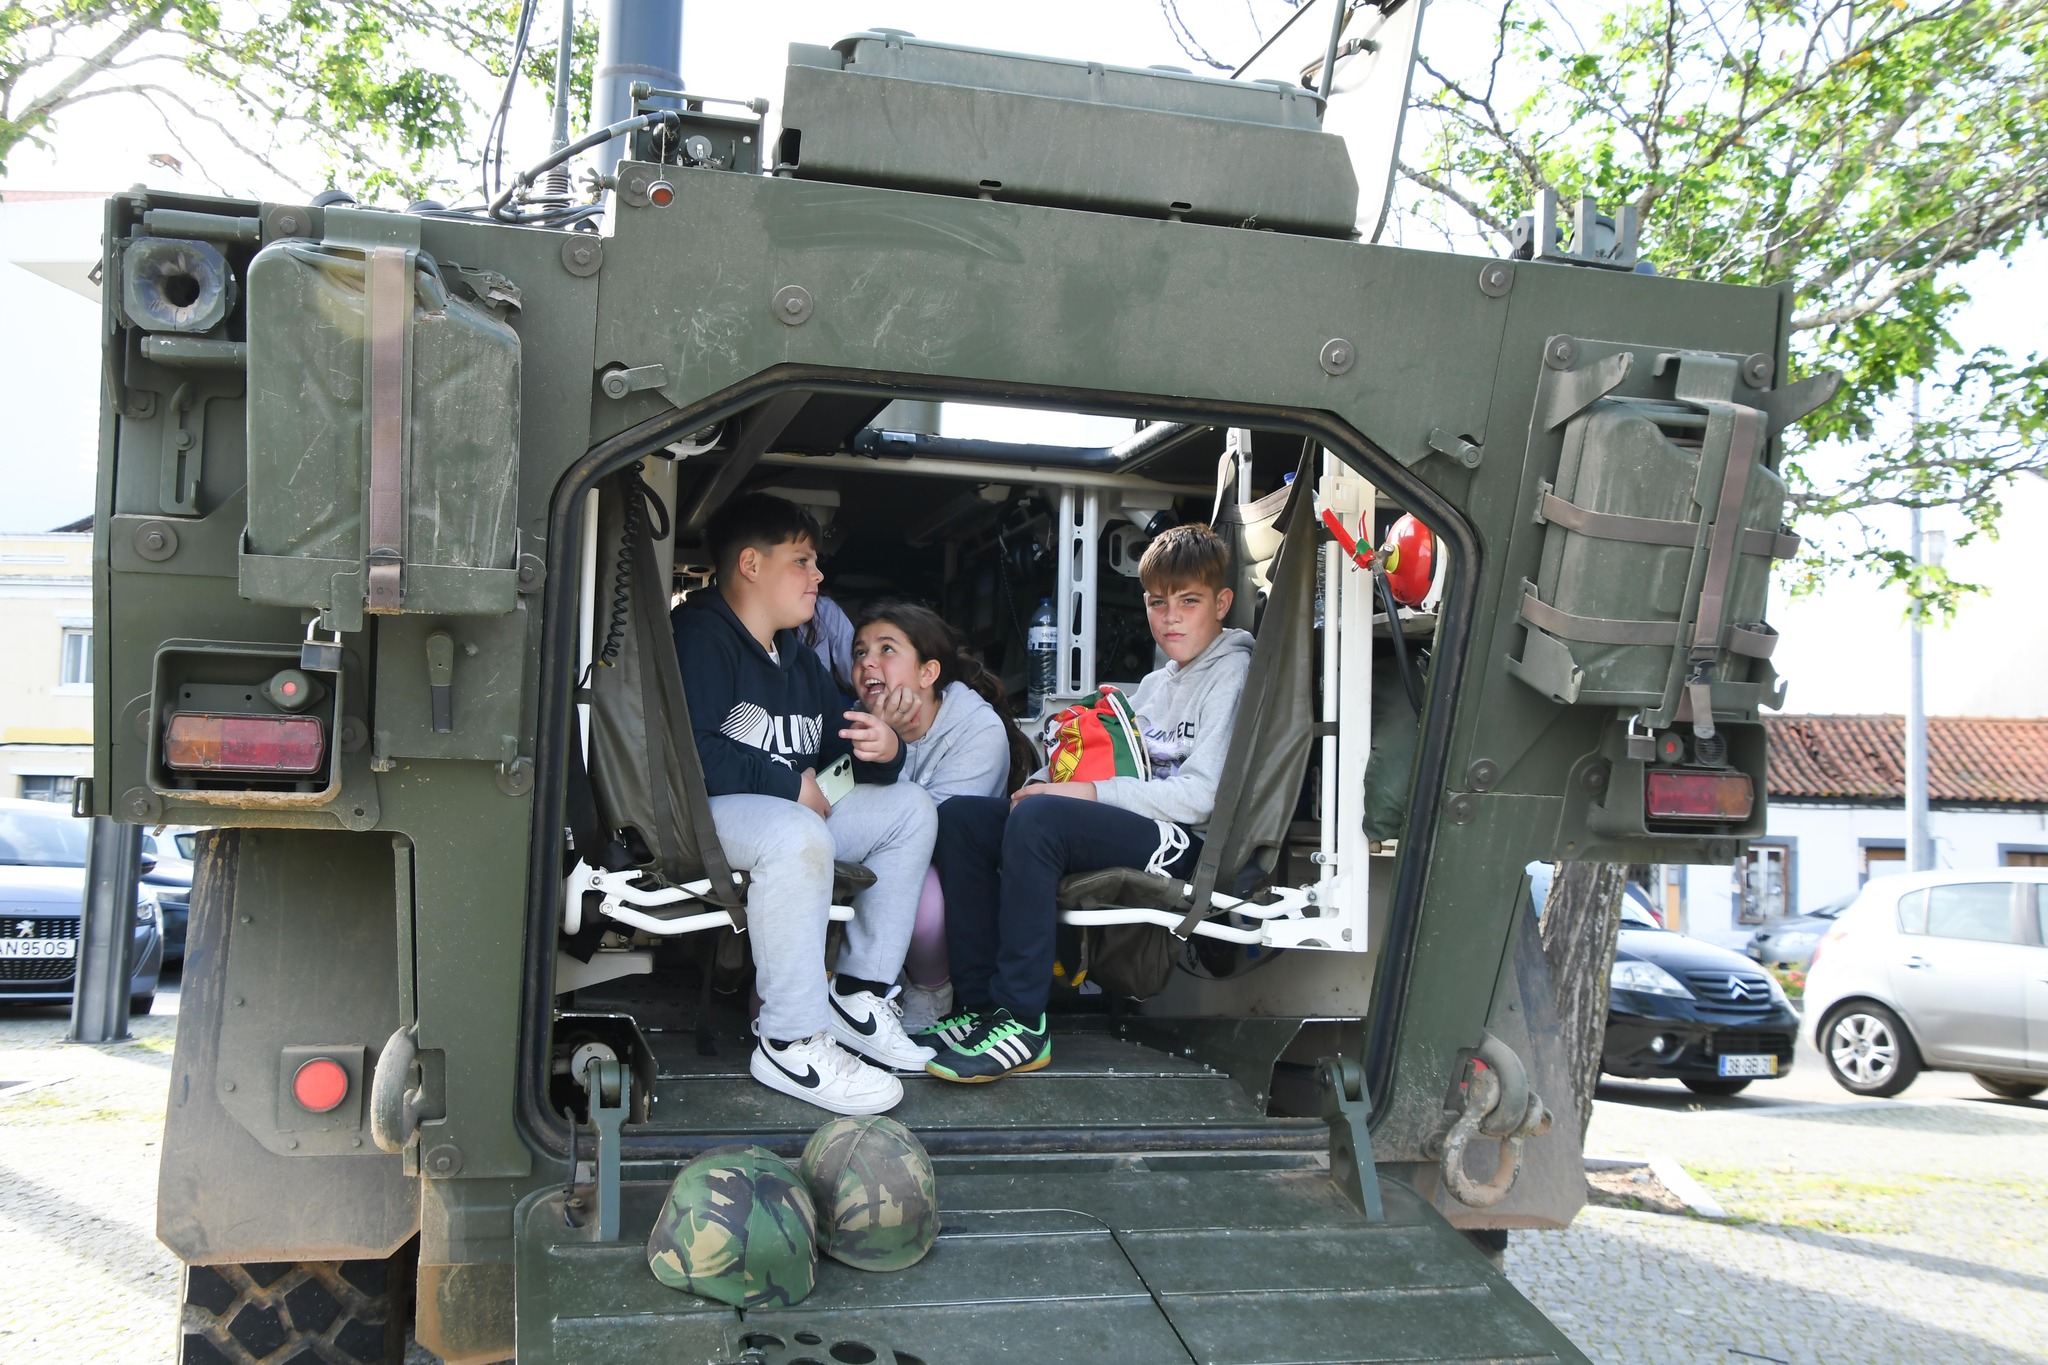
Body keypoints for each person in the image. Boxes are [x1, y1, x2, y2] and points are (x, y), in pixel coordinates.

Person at [923, 524, 1253, 1082]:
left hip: (1190, 842)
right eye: (1156, 602)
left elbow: (1202, 796)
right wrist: (1050, 779)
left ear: (1221, 604)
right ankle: (980, 1009)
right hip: (1133, 821)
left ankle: (1022, 1021)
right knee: (963, 820)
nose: (1170, 616)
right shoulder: (1152, 685)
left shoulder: (1234, 672)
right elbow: (1105, 762)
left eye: (1188, 601)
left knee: (1041, 818)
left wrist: (1080, 793)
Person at [673, 493, 938, 1115]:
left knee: (911, 808)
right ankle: (789, 1039)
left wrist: (883, 748)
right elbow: (693, 755)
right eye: (802, 560)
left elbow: (835, 754)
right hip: (706, 818)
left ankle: (859, 996)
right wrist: (794, 789)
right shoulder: (699, 636)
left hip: (788, 821)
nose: (818, 576)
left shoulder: (795, 655)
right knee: (798, 831)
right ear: (751, 565)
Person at [848, 601, 1039, 1031]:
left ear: (928, 673)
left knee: (923, 891)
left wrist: (889, 744)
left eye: (886, 649)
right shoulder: (850, 719)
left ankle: (932, 992)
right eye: (860, 652)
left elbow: (929, 835)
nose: (868, 662)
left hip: (946, 887)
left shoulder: (978, 730)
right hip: (864, 867)